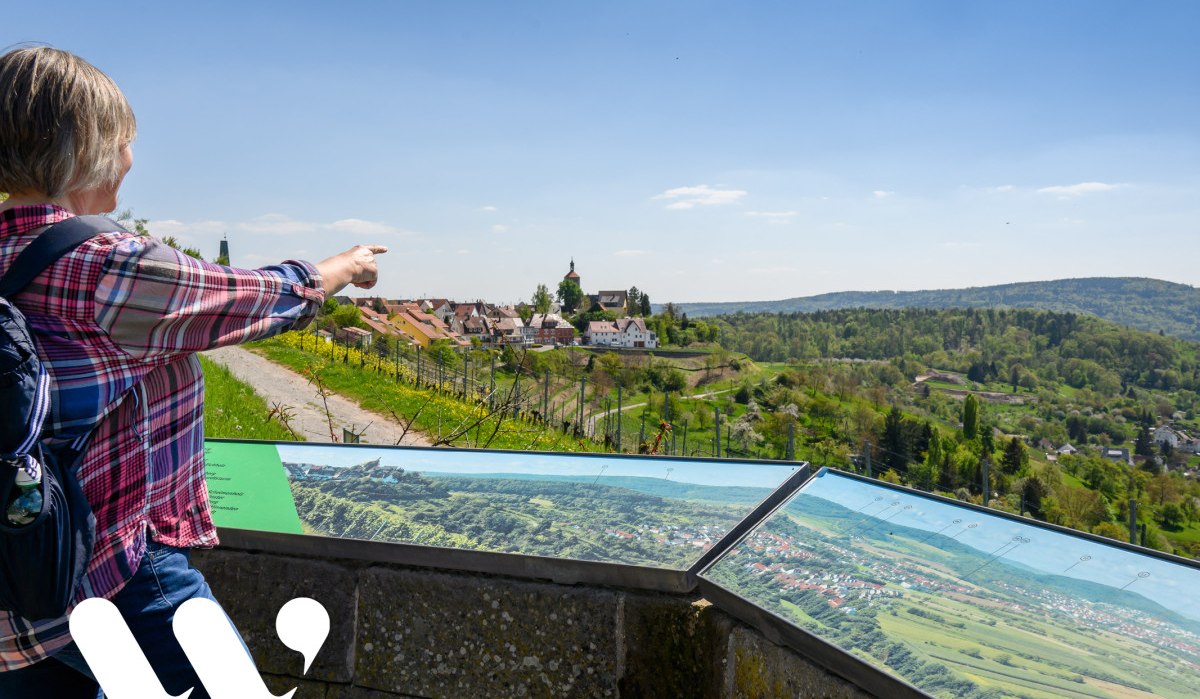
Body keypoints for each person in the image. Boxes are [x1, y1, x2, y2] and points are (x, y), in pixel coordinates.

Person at [0, 46, 387, 697]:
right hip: (114, 570)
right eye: (125, 142)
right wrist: (339, 269)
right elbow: (242, 298)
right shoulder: (105, 266)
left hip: (17, 574)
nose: (130, 159)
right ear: (89, 145)